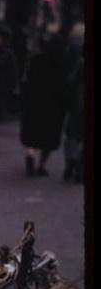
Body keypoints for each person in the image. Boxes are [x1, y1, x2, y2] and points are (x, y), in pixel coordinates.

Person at [20, 33, 69, 177]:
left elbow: (27, 82)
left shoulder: (36, 60)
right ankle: (41, 165)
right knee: (49, 138)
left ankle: (30, 153)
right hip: (54, 107)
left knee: (32, 134)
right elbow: (65, 87)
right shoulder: (62, 63)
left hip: (35, 103)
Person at [63, 23, 84, 183]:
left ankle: (72, 159)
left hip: (78, 105)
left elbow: (70, 82)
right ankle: (80, 169)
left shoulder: (80, 62)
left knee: (72, 136)